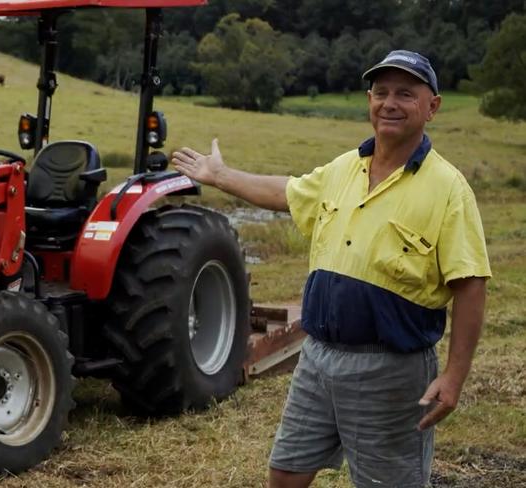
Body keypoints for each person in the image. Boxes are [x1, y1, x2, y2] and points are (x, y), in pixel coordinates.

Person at [172, 50, 491, 488]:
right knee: (286, 472)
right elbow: (287, 192)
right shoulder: (345, 168)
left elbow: (471, 285)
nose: (389, 103)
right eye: (381, 93)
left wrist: (454, 376)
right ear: (369, 101)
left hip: (391, 368)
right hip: (318, 357)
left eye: (405, 93)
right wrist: (221, 175)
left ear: (432, 107)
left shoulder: (448, 189)